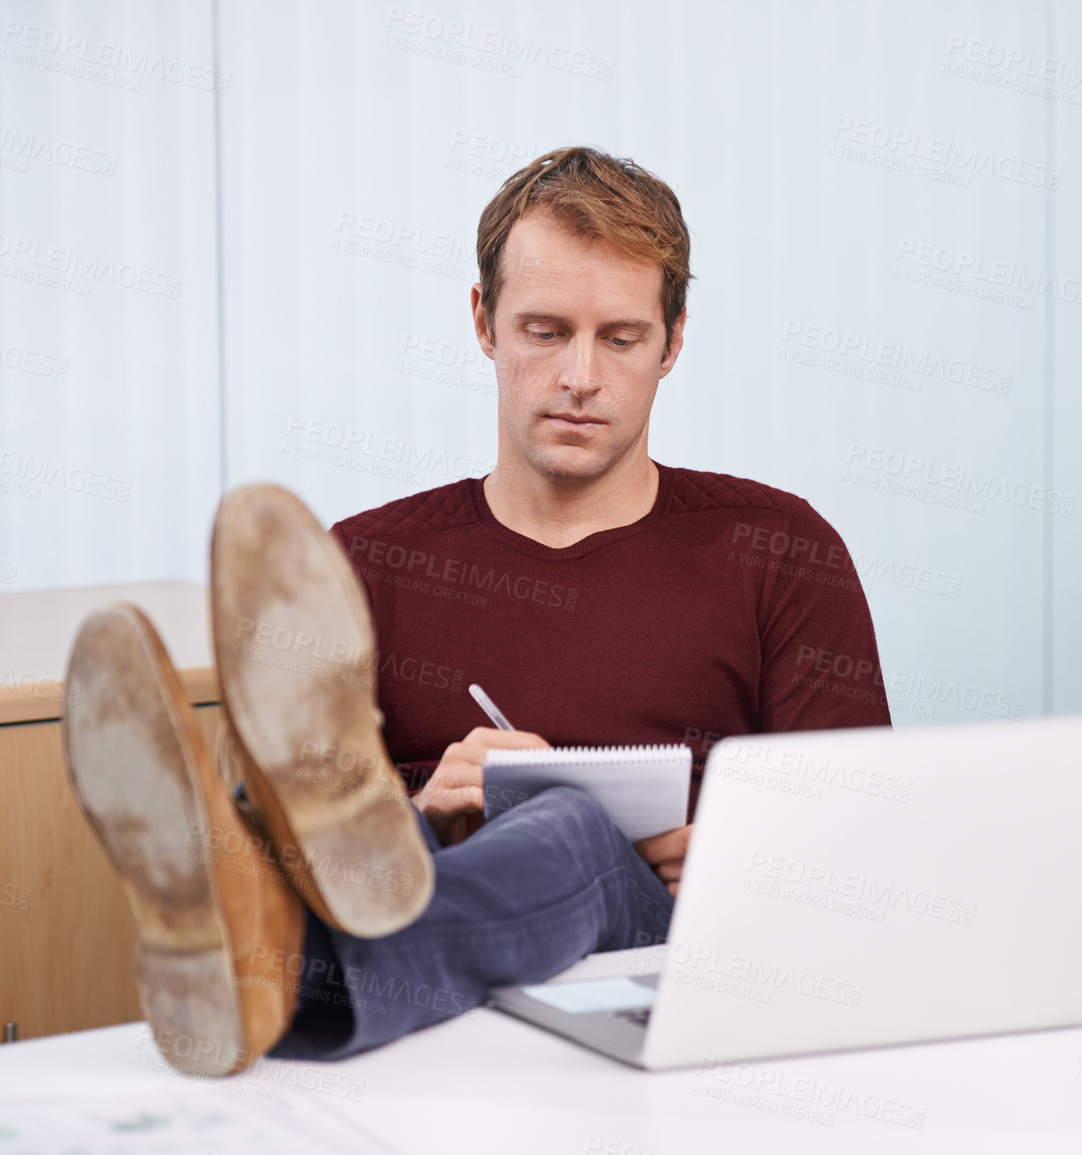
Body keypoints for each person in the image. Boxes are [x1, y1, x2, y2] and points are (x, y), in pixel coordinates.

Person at [61, 147, 890, 1077]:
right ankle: (316, 861)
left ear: (674, 339)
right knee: (392, 834)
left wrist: (737, 866)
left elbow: (856, 855)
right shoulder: (369, 560)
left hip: (659, 947)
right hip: (429, 941)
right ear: (483, 322)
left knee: (568, 825)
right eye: (544, 331)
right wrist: (425, 807)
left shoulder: (778, 548)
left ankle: (280, 967)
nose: (580, 375)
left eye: (619, 338)